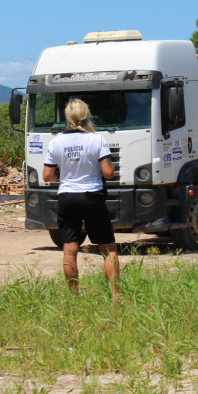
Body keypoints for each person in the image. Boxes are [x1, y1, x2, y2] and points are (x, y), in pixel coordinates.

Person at [42, 98, 119, 301]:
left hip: (67, 197)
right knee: (108, 248)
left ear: (67, 117)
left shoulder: (56, 142)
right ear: (87, 116)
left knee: (69, 249)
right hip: (92, 196)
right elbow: (108, 172)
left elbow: (47, 176)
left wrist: (66, 177)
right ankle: (115, 297)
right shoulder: (97, 140)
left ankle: (74, 297)